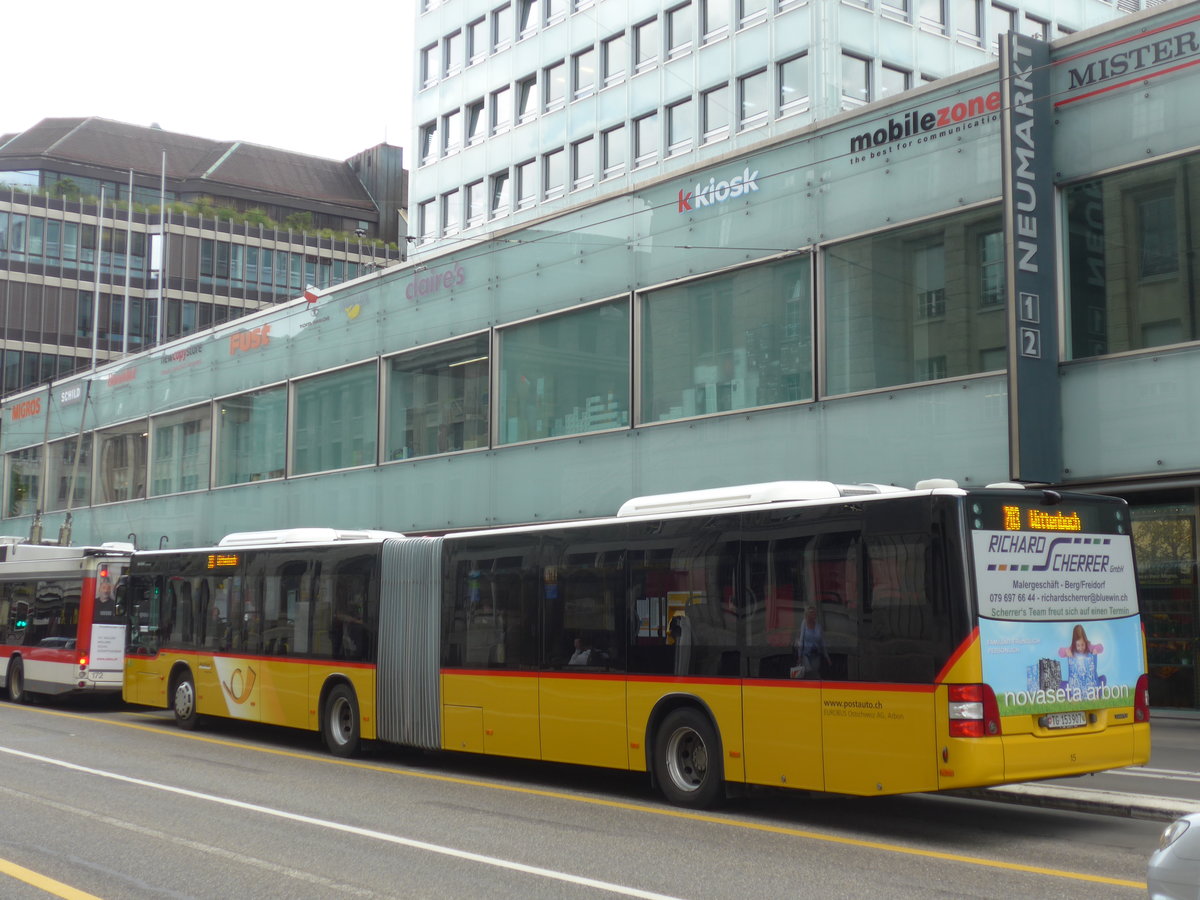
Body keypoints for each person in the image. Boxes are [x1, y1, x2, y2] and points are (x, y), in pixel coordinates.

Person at [1060, 624, 1103, 695]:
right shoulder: (1072, 649)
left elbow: (1101, 647)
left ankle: (1097, 690)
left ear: (1085, 642)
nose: (1080, 648)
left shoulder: (1089, 646)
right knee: (1062, 684)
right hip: (1077, 684)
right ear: (1074, 644)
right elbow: (1060, 653)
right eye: (1078, 645)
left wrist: (1096, 649)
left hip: (1089, 682)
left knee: (1103, 678)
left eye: (1082, 644)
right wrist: (1066, 651)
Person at [793, 607, 831, 679]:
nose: (814, 615)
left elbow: (822, 642)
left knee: (815, 673)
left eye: (815, 613)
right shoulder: (804, 623)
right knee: (808, 672)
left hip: (816, 655)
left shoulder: (818, 626)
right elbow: (801, 640)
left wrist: (827, 657)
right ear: (808, 615)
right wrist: (799, 656)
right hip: (806, 655)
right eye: (812, 613)